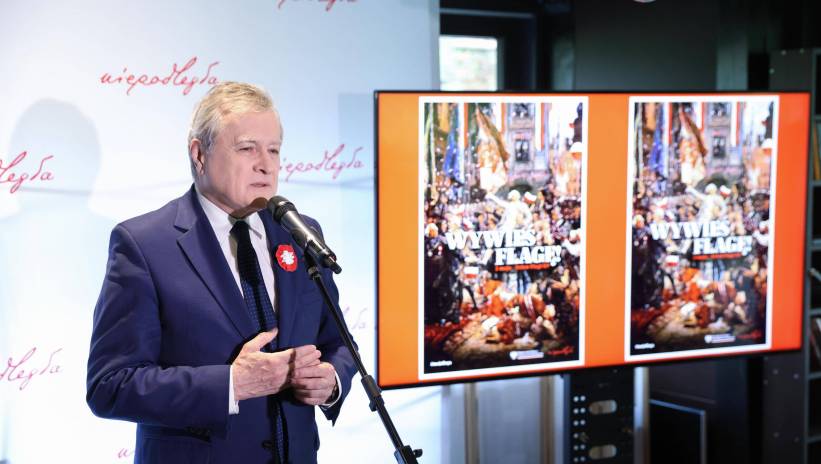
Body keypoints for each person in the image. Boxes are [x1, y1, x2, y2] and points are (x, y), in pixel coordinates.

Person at [86, 82, 356, 464]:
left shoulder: (300, 233)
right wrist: (230, 385)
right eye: (247, 148)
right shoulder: (144, 244)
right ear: (199, 154)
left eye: (274, 149)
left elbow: (339, 342)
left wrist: (331, 380)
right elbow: (110, 385)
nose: (266, 164)